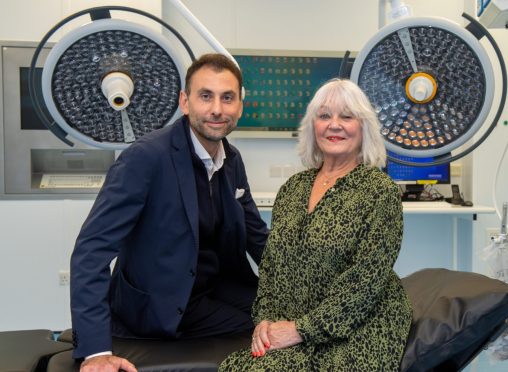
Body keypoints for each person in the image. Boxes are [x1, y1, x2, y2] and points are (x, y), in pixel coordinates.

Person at [71, 53, 268, 371]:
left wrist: (305, 283)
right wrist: (95, 352)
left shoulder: (232, 160)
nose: (217, 109)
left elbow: (259, 238)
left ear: (239, 107)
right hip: (157, 305)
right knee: (269, 335)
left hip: (212, 291)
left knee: (291, 320)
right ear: (185, 102)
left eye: (227, 98)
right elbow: (90, 252)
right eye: (206, 96)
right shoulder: (145, 158)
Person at [220, 79, 412, 371]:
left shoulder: (379, 191)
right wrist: (265, 322)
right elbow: (272, 267)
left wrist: (299, 330)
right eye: (324, 116)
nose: (334, 125)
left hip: (356, 325)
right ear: (312, 127)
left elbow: (365, 282)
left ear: (364, 129)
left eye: (346, 116)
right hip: (297, 321)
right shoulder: (293, 188)